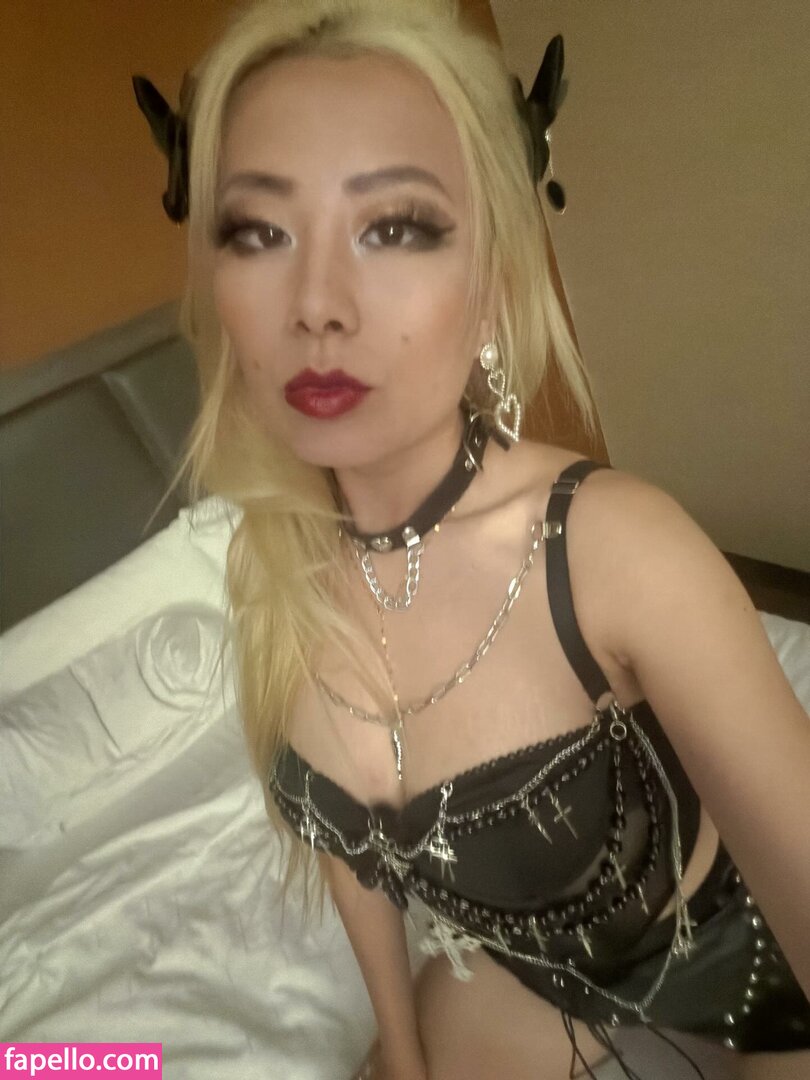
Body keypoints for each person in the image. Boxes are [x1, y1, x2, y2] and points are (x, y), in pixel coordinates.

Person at [135, 1, 810, 1076]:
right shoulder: (272, 570)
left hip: (764, 989)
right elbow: (353, 855)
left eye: (396, 226)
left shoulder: (616, 551)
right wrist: (403, 1061)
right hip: (533, 991)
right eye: (258, 231)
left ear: (492, 284)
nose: (317, 304)